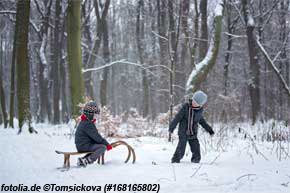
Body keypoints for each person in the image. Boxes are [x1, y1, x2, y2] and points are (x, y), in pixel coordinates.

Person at [169, 90, 214, 163]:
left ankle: (195, 160)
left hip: (193, 133)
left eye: (196, 103)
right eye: (193, 100)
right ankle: (175, 159)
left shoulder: (199, 111)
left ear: (200, 104)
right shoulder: (185, 107)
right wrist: (171, 127)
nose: (193, 103)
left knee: (196, 148)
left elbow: (202, 122)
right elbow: (177, 118)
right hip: (183, 132)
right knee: (181, 148)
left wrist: (209, 130)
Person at [75, 101, 112, 167]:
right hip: (83, 145)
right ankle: (88, 160)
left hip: (83, 144)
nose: (96, 116)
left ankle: (83, 159)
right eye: (95, 114)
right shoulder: (87, 124)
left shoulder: (86, 122)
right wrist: (106, 144)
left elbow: (94, 137)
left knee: (100, 145)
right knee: (102, 147)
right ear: (90, 114)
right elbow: (96, 137)